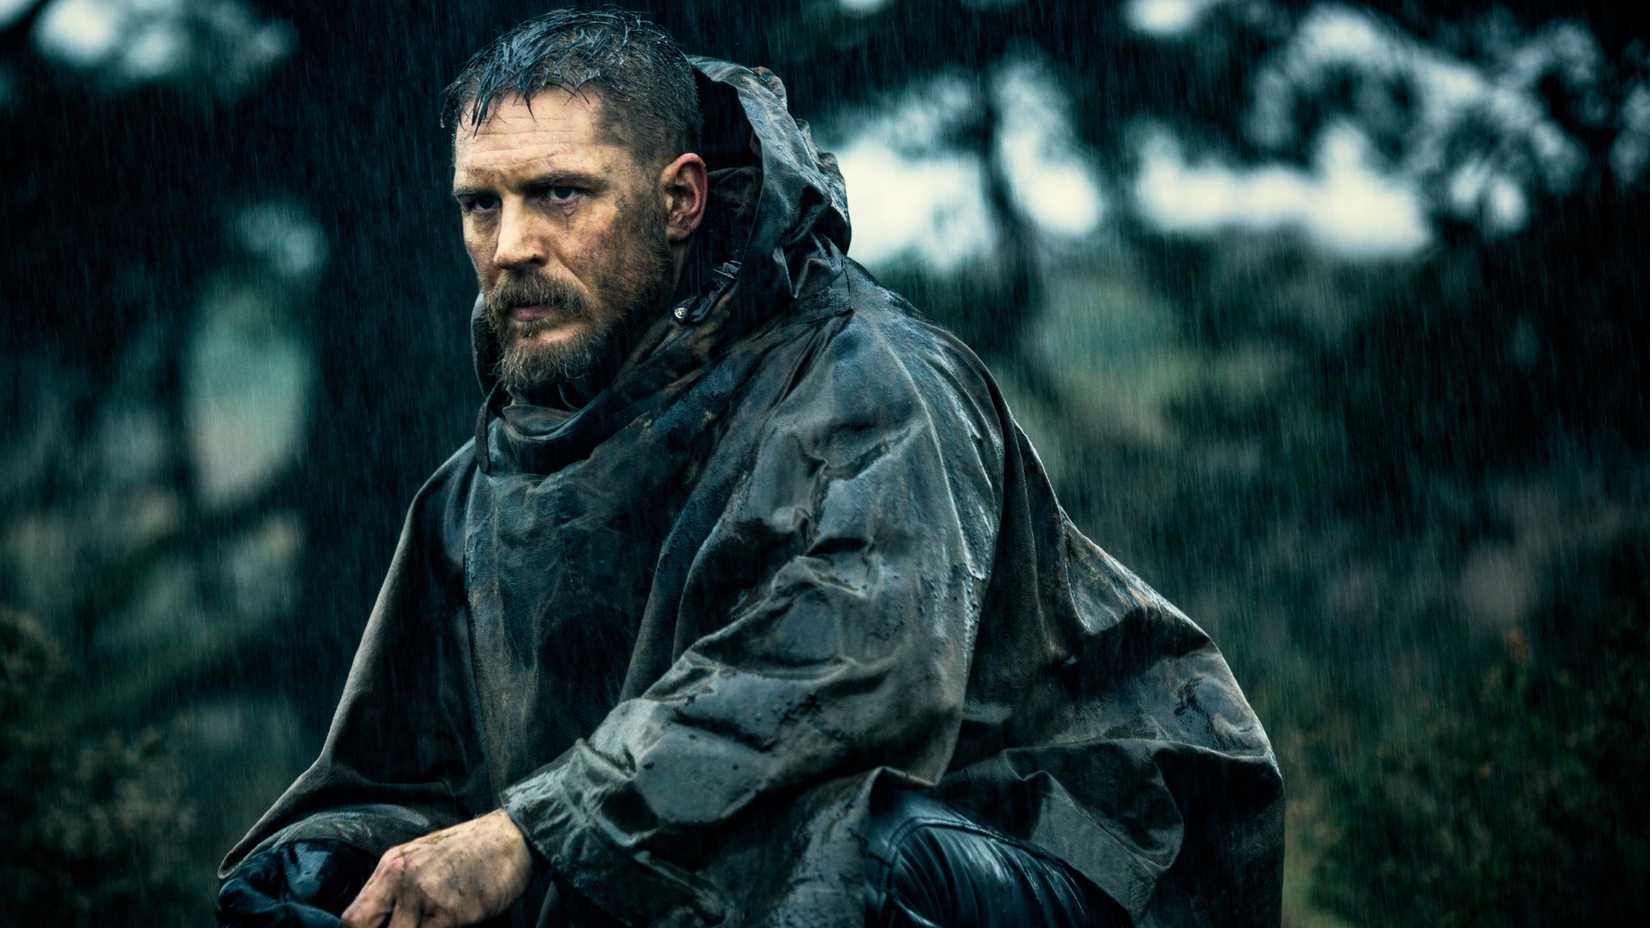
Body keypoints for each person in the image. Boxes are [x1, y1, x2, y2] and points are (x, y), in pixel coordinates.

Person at [216, 9, 1283, 928]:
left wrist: (530, 833)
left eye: (561, 195)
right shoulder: (476, 491)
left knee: (842, 845)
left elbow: (853, 681)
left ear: (680, 200)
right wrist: (338, 858)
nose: (511, 247)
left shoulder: (875, 382)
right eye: (481, 204)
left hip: (1071, 859)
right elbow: (419, 777)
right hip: (729, 861)